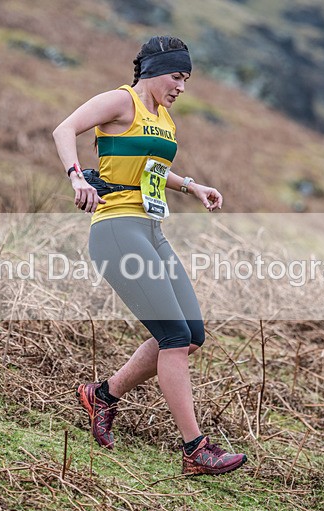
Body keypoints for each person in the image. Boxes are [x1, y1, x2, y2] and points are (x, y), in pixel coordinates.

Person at [52, 36, 247, 476]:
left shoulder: (164, 119)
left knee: (191, 335)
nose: (182, 87)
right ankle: (196, 449)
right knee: (174, 339)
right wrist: (75, 178)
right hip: (118, 229)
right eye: (177, 77)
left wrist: (191, 186)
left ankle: (102, 395)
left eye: (187, 80)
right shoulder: (121, 101)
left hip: (152, 230)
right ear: (155, 70)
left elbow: (152, 171)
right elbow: (64, 129)